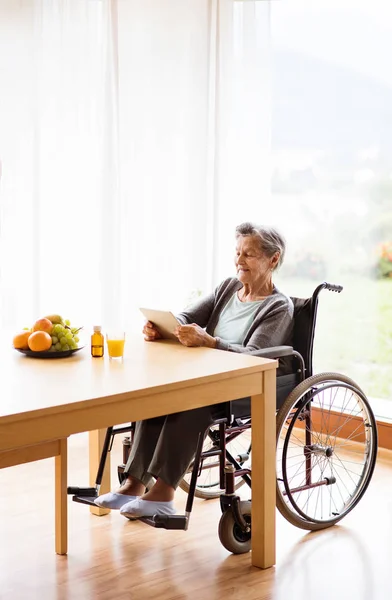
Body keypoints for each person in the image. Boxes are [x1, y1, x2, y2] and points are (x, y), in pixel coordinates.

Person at [95, 222, 294, 519]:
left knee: (190, 403)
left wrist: (210, 341)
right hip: (204, 372)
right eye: (237, 252)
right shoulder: (228, 288)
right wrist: (163, 328)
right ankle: (135, 483)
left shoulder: (279, 306)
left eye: (249, 255)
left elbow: (253, 356)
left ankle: (164, 492)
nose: (239, 261)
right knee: (157, 394)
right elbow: (186, 316)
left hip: (243, 382)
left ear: (273, 259)